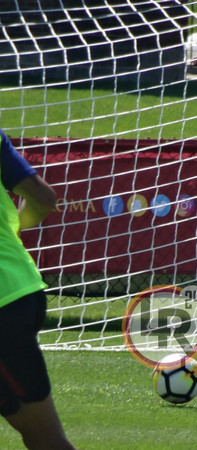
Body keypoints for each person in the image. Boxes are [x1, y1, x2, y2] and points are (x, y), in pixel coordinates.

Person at [0, 129, 75, 449]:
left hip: (4, 308)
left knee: (47, 440)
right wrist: (11, 231)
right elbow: (43, 199)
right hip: (21, 289)